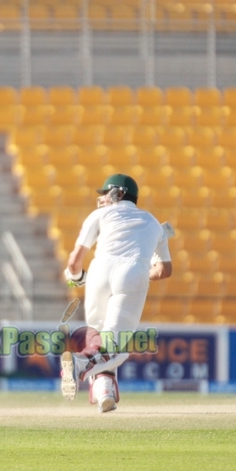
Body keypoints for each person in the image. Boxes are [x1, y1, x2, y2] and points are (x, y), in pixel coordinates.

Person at [60, 174, 172, 413]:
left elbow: (73, 263)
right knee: (113, 345)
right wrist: (143, 268)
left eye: (104, 194)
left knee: (100, 340)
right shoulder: (153, 222)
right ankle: (78, 364)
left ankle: (105, 393)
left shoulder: (98, 215)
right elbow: (164, 270)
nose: (100, 199)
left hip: (98, 273)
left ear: (118, 194)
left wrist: (76, 277)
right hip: (132, 272)